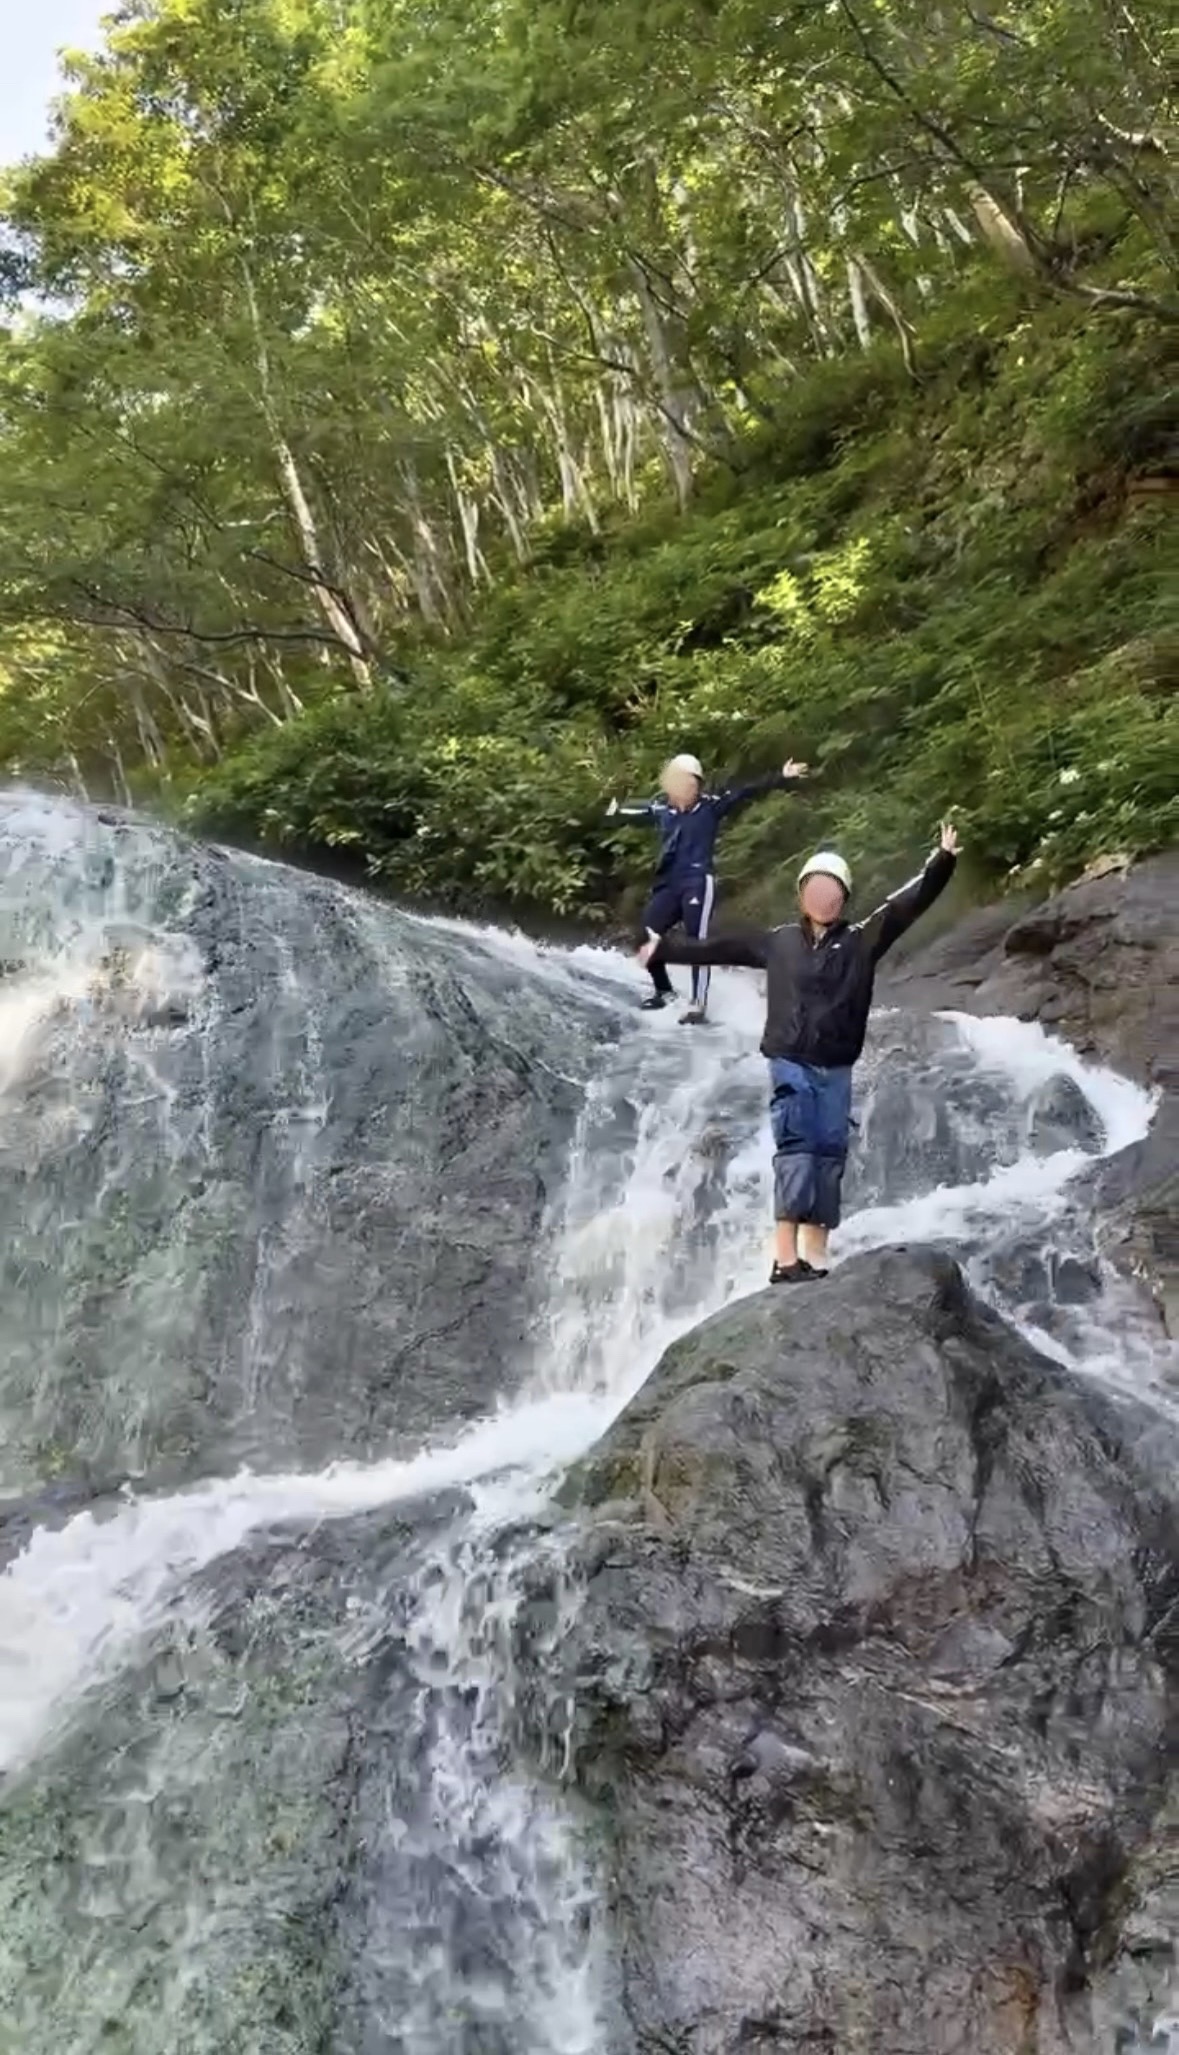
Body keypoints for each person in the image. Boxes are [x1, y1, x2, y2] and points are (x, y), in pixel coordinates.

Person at [639, 823, 960, 1280]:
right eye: (814, 887)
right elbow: (718, 946)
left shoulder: (862, 941)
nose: (822, 896)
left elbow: (910, 905)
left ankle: (815, 1256)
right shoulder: (779, 940)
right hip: (791, 1058)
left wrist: (943, 860)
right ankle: (784, 1259)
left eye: (830, 889)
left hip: (837, 1064)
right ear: (802, 894)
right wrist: (663, 947)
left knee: (830, 1152)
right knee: (798, 1147)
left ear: (843, 897)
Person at [608, 752, 808, 1024]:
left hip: (698, 882)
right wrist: (613, 809)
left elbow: (746, 792)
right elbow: (632, 810)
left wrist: (781, 777)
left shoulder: (710, 806)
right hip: (668, 885)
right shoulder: (662, 809)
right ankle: (664, 991)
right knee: (646, 934)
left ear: (697, 784)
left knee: (697, 943)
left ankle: (698, 1004)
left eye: (690, 782)